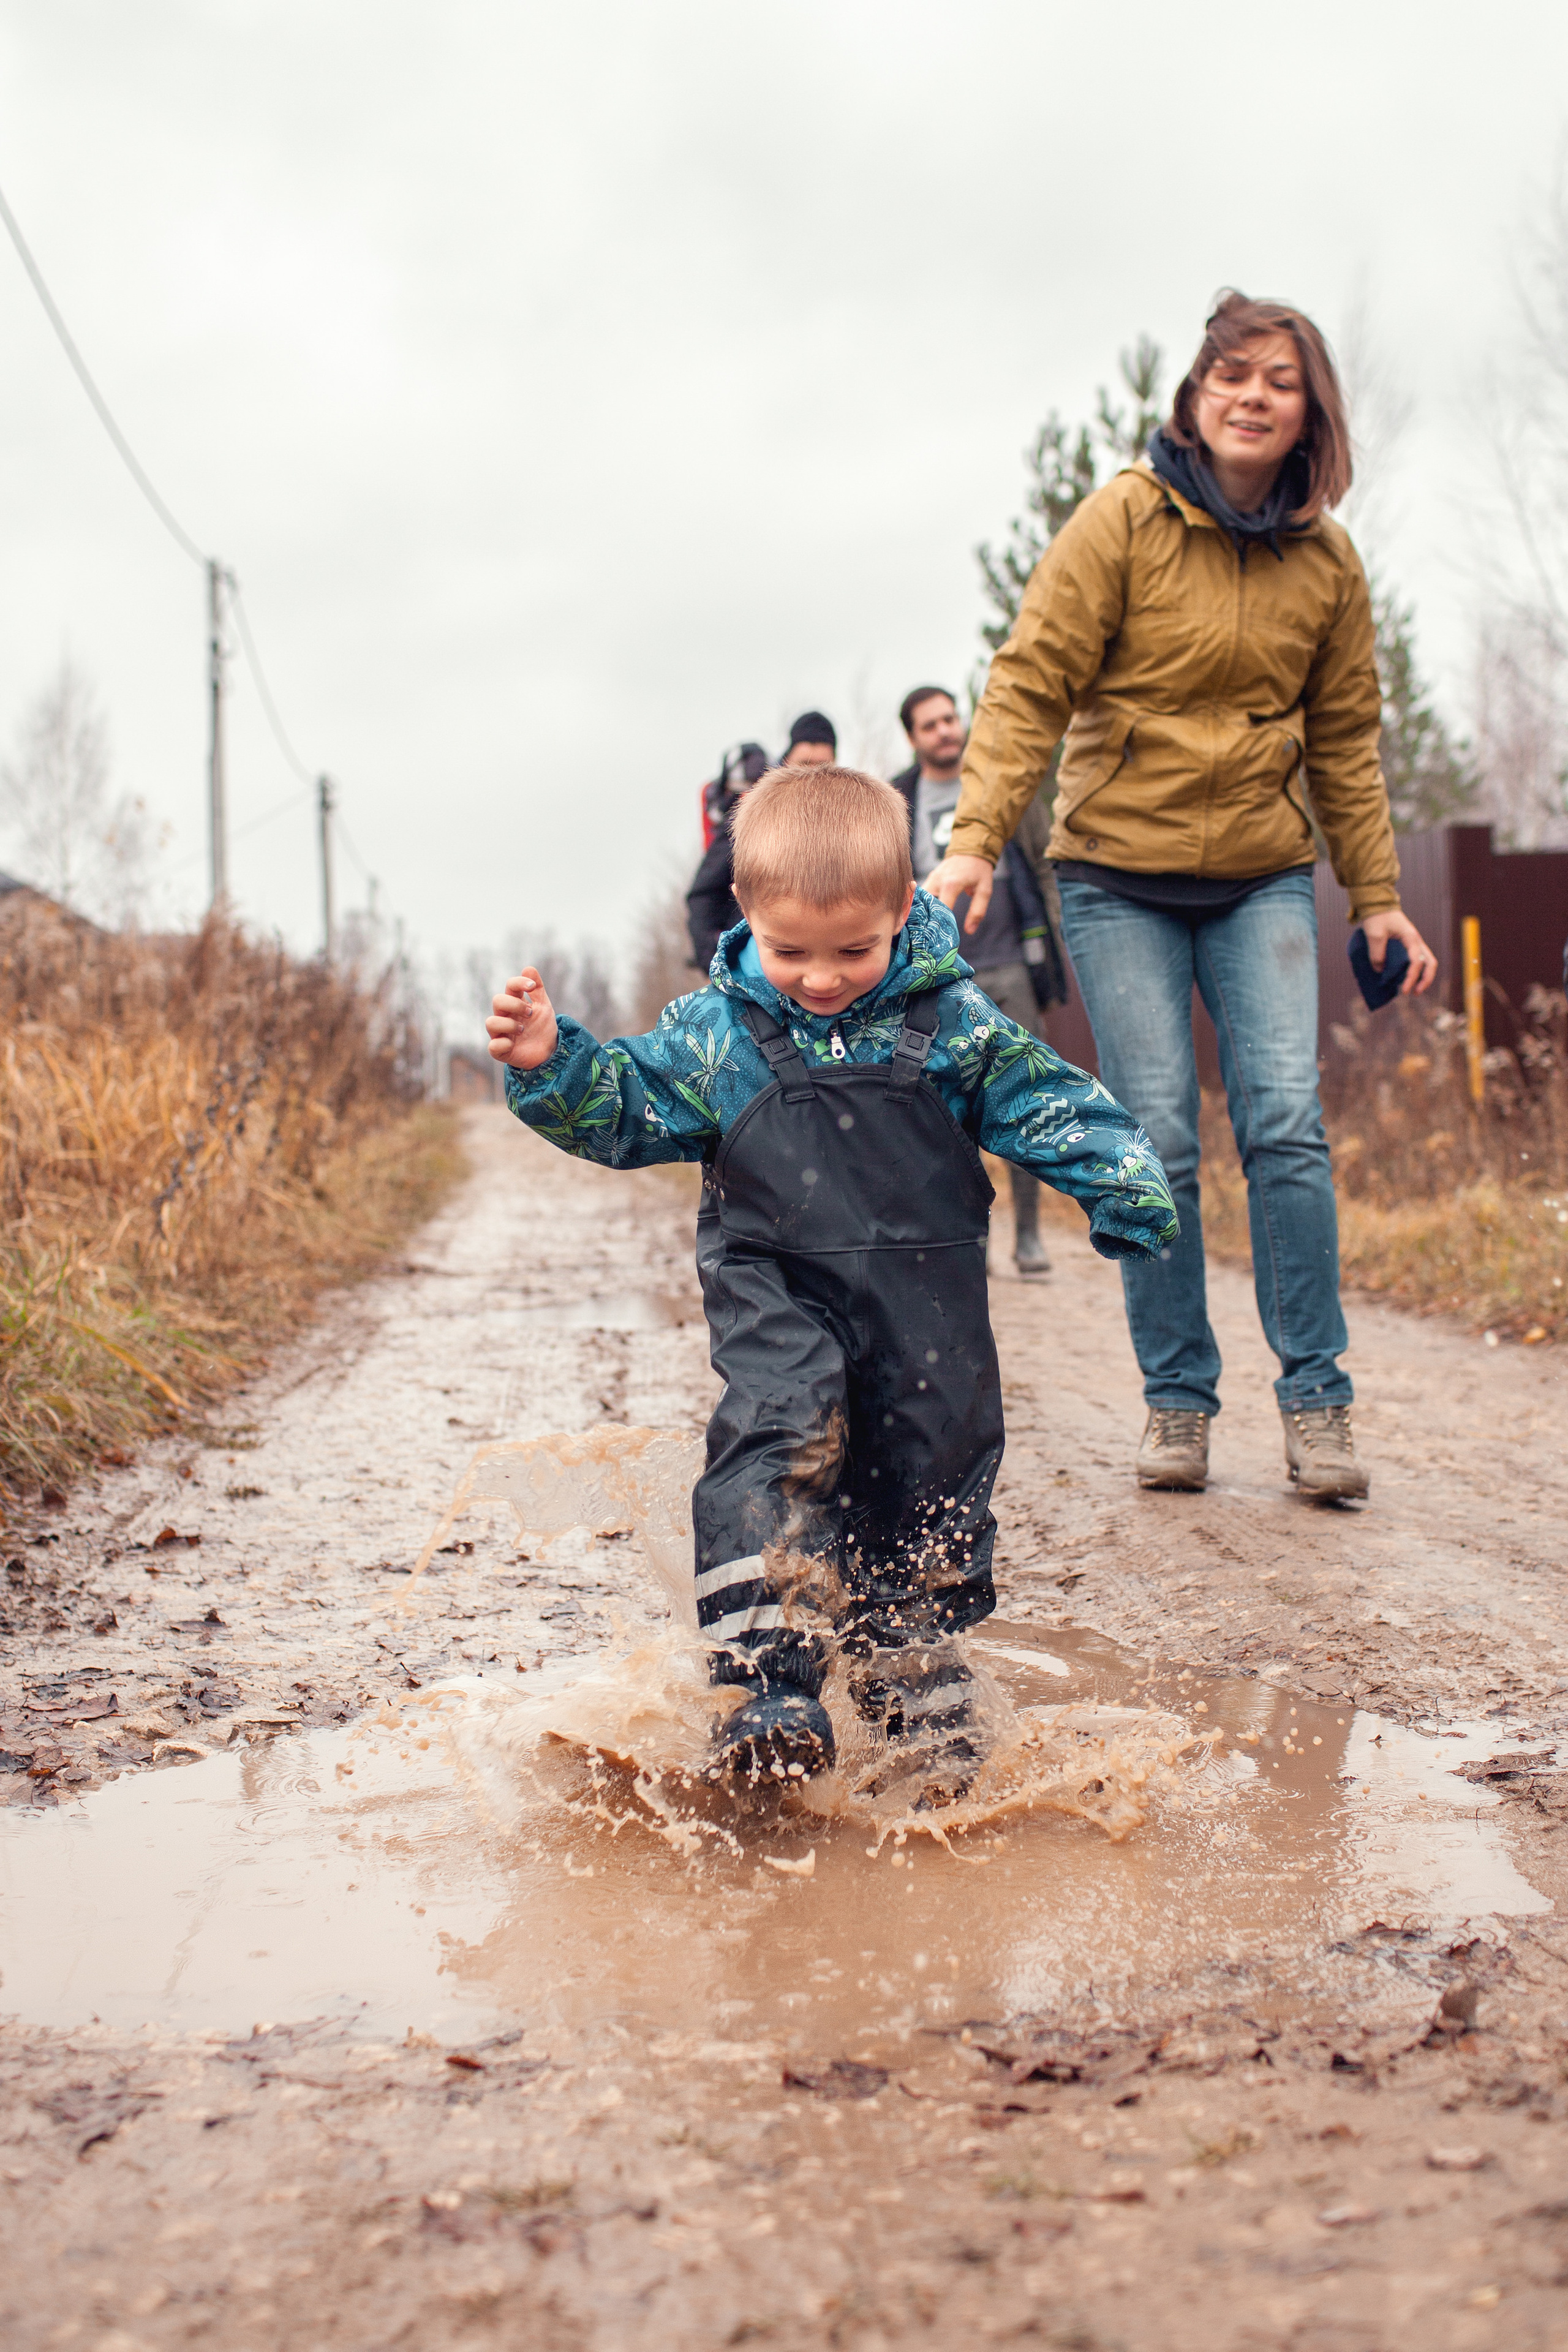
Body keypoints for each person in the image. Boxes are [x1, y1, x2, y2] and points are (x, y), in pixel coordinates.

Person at [489, 764, 1176, 1789]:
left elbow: (1047, 1100)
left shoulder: (953, 1025)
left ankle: (911, 1661)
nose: (820, 978)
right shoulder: (720, 1037)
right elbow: (624, 1107)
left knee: (933, 1454)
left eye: (854, 949)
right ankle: (768, 1680)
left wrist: (1122, 1181)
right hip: (779, 1290)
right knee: (782, 1426)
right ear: (747, 915)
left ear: (906, 909)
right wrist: (553, 1064)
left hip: (925, 1302)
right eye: (789, 951)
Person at [927, 289, 1437, 1505]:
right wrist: (971, 841)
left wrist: (1376, 895)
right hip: (1114, 875)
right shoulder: (1123, 520)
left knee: (1283, 1128)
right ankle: (1175, 1403)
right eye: (1230, 376)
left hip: (1259, 872)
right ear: (1194, 399)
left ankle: (1315, 1403)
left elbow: (1345, 744)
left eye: (1277, 379)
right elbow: (1028, 682)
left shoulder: (1325, 562)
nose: (1251, 395)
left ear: (1308, 409)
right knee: (1154, 1137)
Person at [892, 684, 1068, 1276]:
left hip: (1011, 968)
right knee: (947, 1112)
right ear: (913, 738)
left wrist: (1051, 947)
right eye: (930, 725)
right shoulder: (900, 802)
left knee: (1022, 1098)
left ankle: (1030, 1238)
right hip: (938, 979)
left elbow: (1043, 865)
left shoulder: (998, 786)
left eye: (950, 718)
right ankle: (972, 1239)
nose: (945, 730)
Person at [685, 712, 839, 973]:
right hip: (756, 964)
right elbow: (704, 893)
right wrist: (717, 964)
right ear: (787, 762)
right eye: (804, 764)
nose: (813, 776)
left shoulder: (846, 817)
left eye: (823, 767)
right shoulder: (754, 812)